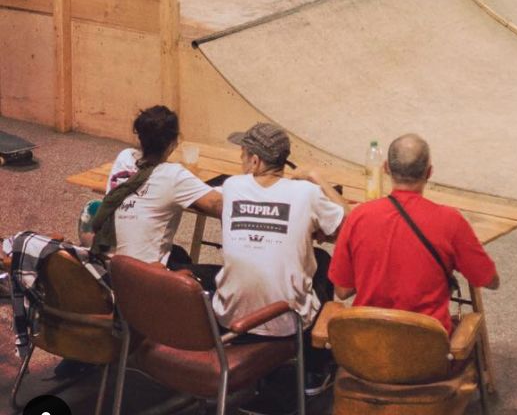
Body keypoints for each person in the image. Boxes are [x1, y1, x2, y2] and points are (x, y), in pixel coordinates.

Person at [212, 122, 346, 389]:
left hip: (230, 319)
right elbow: (355, 225)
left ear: (255, 160)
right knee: (323, 266)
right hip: (284, 324)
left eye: (243, 154)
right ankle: (314, 370)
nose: (240, 160)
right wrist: (319, 181)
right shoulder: (307, 193)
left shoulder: (232, 186)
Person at [329, 133, 498, 330]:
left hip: (367, 346)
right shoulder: (450, 221)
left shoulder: (358, 217)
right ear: (429, 172)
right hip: (425, 351)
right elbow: (489, 280)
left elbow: (342, 290)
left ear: (386, 169)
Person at [93, 105, 221, 268]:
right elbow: (220, 205)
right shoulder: (173, 175)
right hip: (141, 275)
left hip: (106, 262)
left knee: (179, 253)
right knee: (217, 274)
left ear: (140, 137)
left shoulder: (124, 157)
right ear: (173, 143)